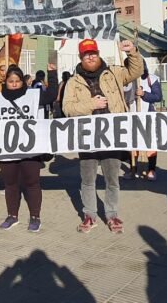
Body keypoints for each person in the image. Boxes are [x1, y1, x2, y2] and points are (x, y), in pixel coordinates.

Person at [62, 39, 144, 234]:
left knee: (112, 180)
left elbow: (136, 71)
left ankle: (112, 214)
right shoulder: (73, 82)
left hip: (112, 136)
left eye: (93, 53)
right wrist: (91, 105)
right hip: (87, 138)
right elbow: (67, 109)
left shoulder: (114, 73)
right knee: (88, 181)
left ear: (98, 54)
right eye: (86, 54)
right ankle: (89, 215)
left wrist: (132, 52)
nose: (90, 57)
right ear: (81, 58)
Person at [0, 64, 57, 232]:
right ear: (5, 82)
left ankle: (35, 216)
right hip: (7, 150)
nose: (14, 84)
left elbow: (52, 95)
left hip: (30, 148)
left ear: (22, 82)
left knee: (32, 183)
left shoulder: (33, 95)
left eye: (17, 81)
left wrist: (52, 73)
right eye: (10, 81)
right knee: (10, 184)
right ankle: (12, 215)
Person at [124, 66, 163, 180]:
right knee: (132, 144)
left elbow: (158, 96)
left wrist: (144, 94)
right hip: (131, 115)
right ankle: (133, 169)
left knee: (150, 143)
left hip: (148, 116)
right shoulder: (127, 79)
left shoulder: (152, 79)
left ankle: (151, 170)